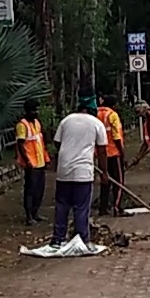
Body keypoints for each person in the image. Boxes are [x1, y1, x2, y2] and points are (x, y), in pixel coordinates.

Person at [51, 91, 109, 247]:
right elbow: (102, 151)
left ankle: (58, 239)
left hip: (63, 170)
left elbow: (57, 143)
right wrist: (104, 172)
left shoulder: (66, 121)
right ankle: (82, 239)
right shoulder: (97, 124)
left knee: (62, 206)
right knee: (81, 208)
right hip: (83, 172)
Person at [15, 99, 49, 226]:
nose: (36, 113)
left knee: (39, 190)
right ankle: (29, 216)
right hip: (31, 164)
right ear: (28, 111)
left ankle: (35, 213)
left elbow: (40, 142)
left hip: (40, 162)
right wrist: (27, 161)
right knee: (30, 190)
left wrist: (46, 158)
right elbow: (20, 145)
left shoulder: (37, 123)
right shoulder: (22, 125)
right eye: (34, 110)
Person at [96, 94, 128, 216]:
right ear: (114, 105)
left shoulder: (96, 114)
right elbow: (116, 137)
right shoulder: (112, 115)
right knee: (118, 182)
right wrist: (122, 152)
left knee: (105, 180)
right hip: (114, 152)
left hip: (101, 154)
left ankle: (103, 208)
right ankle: (117, 207)